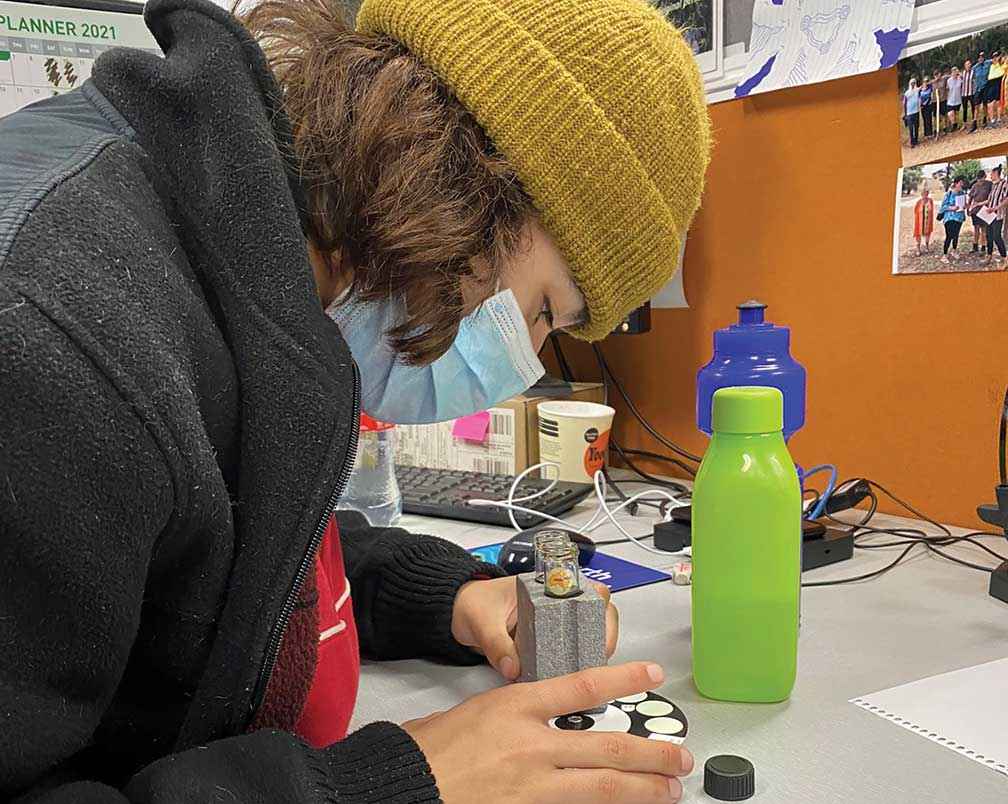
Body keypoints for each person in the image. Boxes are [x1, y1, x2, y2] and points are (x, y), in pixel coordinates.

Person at [0, 0, 711, 802]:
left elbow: (211, 544)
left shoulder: (243, 261)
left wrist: (439, 597)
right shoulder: (57, 334)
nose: (530, 357)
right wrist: (389, 786)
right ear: (465, 187)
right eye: (547, 309)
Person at [983, 165, 1008, 268]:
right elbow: (989, 200)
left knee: (996, 236)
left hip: (998, 215)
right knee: (988, 236)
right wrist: (977, 204)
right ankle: (988, 256)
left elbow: (1006, 199)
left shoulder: (1004, 184)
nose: (990, 176)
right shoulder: (993, 186)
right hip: (989, 215)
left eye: (992, 174)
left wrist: (995, 208)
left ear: (996, 174)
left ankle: (1005, 258)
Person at [939, 178, 967, 264]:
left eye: (962, 183)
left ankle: (954, 251)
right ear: (955, 183)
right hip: (949, 218)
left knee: (956, 235)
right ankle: (944, 255)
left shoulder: (962, 194)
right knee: (949, 236)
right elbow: (943, 207)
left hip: (959, 218)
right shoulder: (949, 194)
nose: (962, 185)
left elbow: (964, 205)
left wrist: (965, 206)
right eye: (960, 183)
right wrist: (952, 208)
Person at [968, 168, 993, 253]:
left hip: (984, 210)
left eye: (981, 178)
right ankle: (975, 247)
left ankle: (983, 247)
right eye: (979, 179)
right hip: (975, 210)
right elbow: (970, 197)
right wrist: (968, 208)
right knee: (976, 229)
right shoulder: (974, 185)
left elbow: (992, 197)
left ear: (984, 177)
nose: (980, 181)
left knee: (983, 229)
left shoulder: (989, 184)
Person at [971, 51, 991, 132]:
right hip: (978, 89)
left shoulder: (988, 63)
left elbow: (996, 60)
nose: (981, 59)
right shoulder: (975, 68)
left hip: (986, 87)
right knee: (976, 106)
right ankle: (975, 123)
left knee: (985, 105)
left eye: (982, 57)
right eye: (979, 57)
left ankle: (985, 120)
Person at [914, 184, 935, 255]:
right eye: (923, 194)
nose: (925, 195)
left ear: (928, 194)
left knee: (928, 234)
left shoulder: (930, 201)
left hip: (928, 221)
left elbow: (932, 210)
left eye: (926, 194)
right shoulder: (919, 202)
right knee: (918, 234)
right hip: (919, 221)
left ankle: (927, 247)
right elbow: (915, 211)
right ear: (921, 194)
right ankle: (918, 249)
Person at [904, 78, 921, 147]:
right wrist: (905, 114)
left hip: (916, 111)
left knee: (917, 126)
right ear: (910, 84)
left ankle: (916, 140)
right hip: (909, 113)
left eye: (914, 83)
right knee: (911, 128)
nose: (913, 84)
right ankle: (911, 142)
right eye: (912, 83)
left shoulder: (917, 90)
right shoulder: (907, 93)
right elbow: (904, 103)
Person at [990, 52, 1006, 126]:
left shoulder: (1001, 65)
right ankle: (992, 119)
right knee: (991, 102)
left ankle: (999, 118)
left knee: (998, 101)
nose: (995, 58)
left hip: (998, 81)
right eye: (994, 57)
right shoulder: (991, 65)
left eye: (996, 57)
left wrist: (1001, 59)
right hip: (991, 83)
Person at [946, 67, 963, 132]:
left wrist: (960, 74)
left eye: (956, 71)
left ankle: (956, 125)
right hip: (950, 99)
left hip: (958, 99)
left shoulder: (960, 79)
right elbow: (947, 89)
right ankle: (954, 124)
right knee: (950, 113)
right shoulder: (949, 80)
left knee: (956, 113)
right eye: (953, 72)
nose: (954, 73)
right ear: (951, 72)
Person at [933, 69, 948, 135]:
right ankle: (936, 129)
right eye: (936, 75)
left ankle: (945, 128)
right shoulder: (933, 82)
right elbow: (925, 84)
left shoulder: (944, 79)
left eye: (938, 74)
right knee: (936, 116)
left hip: (943, 99)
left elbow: (949, 76)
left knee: (944, 114)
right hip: (935, 101)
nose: (937, 76)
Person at [962, 58, 975, 125]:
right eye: (967, 64)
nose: (968, 65)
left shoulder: (973, 72)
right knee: (965, 109)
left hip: (971, 93)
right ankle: (964, 123)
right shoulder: (963, 73)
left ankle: (974, 121)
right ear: (965, 65)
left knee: (973, 107)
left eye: (969, 64)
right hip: (964, 94)